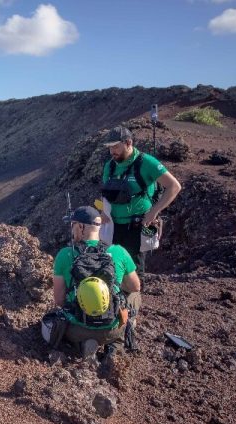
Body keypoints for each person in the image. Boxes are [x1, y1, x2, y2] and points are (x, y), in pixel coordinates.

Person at [45, 206, 141, 357]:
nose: (71, 229)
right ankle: (115, 344)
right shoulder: (118, 251)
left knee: (65, 317)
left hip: (77, 330)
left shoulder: (64, 255)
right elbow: (135, 286)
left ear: (81, 226)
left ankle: (83, 345)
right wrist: (113, 284)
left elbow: (59, 300)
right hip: (112, 328)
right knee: (135, 296)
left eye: (73, 225)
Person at [100, 126, 181, 271]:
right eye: (109, 148)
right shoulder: (110, 166)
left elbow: (174, 186)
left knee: (133, 271)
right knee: (113, 270)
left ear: (128, 143)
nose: (112, 152)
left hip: (137, 227)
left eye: (116, 147)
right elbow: (105, 192)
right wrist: (103, 211)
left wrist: (154, 212)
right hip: (113, 228)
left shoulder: (146, 162)